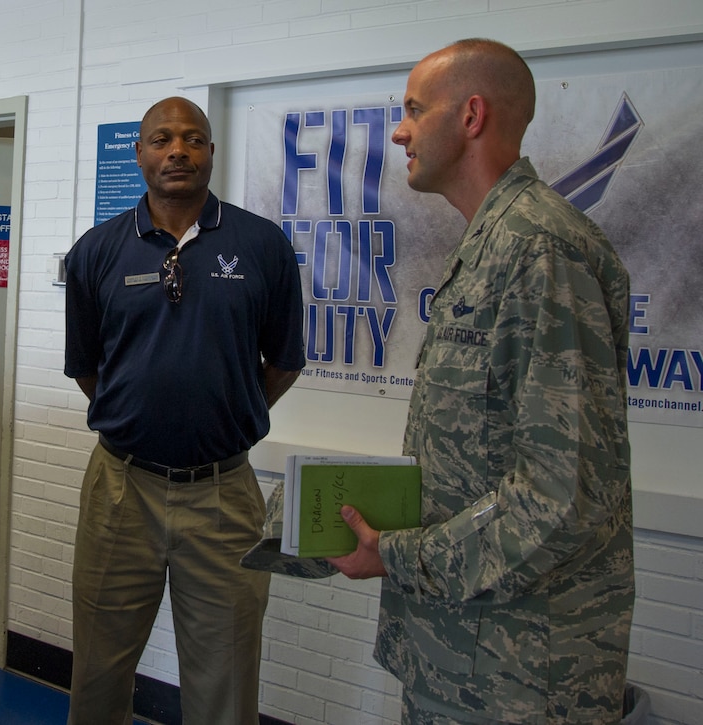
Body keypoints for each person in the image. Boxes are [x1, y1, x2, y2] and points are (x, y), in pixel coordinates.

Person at [327, 39, 635, 724]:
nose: (399, 130)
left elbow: (559, 496)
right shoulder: (491, 244)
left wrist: (398, 554)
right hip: (461, 656)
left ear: (470, 115)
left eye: (413, 109)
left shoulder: (539, 249)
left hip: (518, 677)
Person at [63, 96, 306, 724]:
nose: (179, 150)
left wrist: (225, 411)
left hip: (224, 494)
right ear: (140, 152)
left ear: (211, 154)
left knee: (225, 681)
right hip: (120, 491)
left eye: (193, 139)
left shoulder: (262, 246)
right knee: (96, 671)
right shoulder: (97, 250)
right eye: (163, 139)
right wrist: (141, 416)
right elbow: (90, 368)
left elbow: (282, 362)